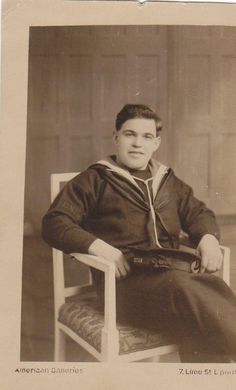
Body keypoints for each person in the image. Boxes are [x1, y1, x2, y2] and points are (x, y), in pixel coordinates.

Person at [42, 103, 236, 363]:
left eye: (146, 137)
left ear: (156, 143)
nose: (137, 143)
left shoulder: (167, 180)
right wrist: (101, 247)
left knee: (200, 322)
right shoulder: (95, 179)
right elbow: (55, 222)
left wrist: (208, 238)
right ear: (116, 137)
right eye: (129, 134)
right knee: (187, 288)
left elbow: (198, 213)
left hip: (175, 288)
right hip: (122, 290)